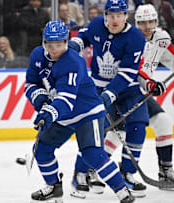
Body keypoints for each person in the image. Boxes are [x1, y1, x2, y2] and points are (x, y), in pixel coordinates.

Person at [25, 20, 134, 203]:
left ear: (66, 42)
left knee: (93, 154)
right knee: (42, 150)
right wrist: (41, 100)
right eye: (50, 45)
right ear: (44, 43)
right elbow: (31, 83)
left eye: (59, 45)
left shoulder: (73, 62)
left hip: (87, 112)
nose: (54, 49)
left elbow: (66, 99)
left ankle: (122, 190)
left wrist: (49, 112)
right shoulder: (37, 55)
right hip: (61, 114)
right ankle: (54, 187)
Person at [68, 0, 148, 197]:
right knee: (93, 130)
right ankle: (80, 173)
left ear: (125, 16)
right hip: (97, 86)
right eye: (111, 15)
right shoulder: (96, 24)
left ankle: (128, 173)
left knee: (137, 126)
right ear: (105, 15)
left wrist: (110, 94)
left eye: (119, 15)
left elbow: (128, 72)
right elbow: (84, 37)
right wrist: (72, 46)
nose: (115, 19)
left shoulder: (136, 37)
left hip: (128, 89)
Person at [104, 3, 174, 189]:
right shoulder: (131, 39)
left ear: (156, 21)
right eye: (142, 23)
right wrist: (150, 83)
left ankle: (165, 170)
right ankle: (93, 168)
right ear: (136, 23)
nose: (147, 26)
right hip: (124, 90)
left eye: (151, 21)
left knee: (161, 122)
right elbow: (131, 71)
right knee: (119, 130)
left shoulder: (161, 38)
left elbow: (170, 58)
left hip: (140, 92)